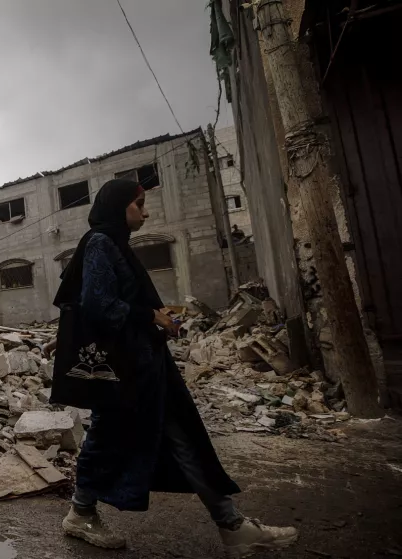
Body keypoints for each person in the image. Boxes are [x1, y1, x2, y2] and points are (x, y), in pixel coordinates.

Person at [50, 179, 297, 558]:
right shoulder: (101, 243)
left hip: (142, 364)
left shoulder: (115, 245)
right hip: (127, 369)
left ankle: (230, 524)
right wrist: (151, 315)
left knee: (172, 434)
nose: (146, 212)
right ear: (119, 207)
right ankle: (229, 526)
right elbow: (98, 305)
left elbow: (117, 302)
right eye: (139, 204)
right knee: (134, 434)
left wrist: (156, 318)